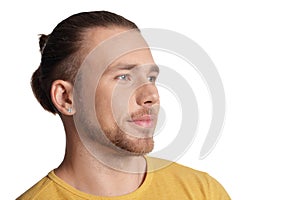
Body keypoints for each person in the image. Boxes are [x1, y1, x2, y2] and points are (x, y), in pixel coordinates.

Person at [17, 11, 230, 199]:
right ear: (66, 98)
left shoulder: (203, 192)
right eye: (123, 77)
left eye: (151, 78)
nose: (151, 95)